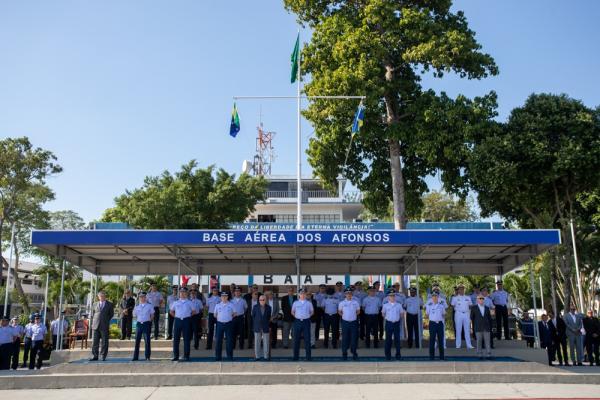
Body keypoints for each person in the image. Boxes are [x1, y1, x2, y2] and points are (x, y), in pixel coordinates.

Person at [170, 287, 195, 362]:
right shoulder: (176, 302)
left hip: (186, 320)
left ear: (186, 293)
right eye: (181, 292)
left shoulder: (190, 302)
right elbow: (171, 311)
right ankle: (176, 356)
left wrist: (188, 316)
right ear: (179, 293)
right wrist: (176, 317)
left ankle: (186, 356)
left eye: (184, 292)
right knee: (176, 339)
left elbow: (194, 311)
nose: (182, 293)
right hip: (178, 321)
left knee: (186, 339)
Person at [90, 290, 114, 361]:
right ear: (98, 297)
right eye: (100, 296)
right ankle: (95, 356)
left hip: (104, 325)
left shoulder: (109, 304)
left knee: (104, 342)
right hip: (95, 325)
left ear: (105, 296)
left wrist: (106, 320)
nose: (102, 297)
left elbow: (111, 314)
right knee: (95, 342)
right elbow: (93, 313)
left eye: (103, 296)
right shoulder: (94, 304)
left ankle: (103, 355)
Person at [291, 288, 314, 361]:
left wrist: (307, 317)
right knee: (296, 340)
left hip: (306, 322)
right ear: (299, 295)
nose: (303, 295)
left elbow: (312, 312)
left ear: (305, 294)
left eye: (304, 293)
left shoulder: (309, 303)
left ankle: (308, 357)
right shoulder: (295, 303)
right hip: (297, 322)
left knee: (307, 339)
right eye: (301, 294)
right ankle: (295, 357)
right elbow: (292, 312)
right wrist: (297, 317)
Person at [338, 287, 360, 361]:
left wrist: (352, 316)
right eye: (347, 293)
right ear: (345, 294)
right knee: (345, 339)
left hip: (353, 322)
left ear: (352, 294)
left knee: (354, 339)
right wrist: (345, 316)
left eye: (350, 293)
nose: (349, 295)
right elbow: (339, 311)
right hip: (345, 323)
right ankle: (344, 353)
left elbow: (358, 311)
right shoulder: (342, 303)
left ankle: (354, 353)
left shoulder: (355, 302)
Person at [381, 289, 403, 360]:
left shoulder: (399, 305)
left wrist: (397, 319)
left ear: (395, 296)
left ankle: (398, 354)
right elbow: (383, 314)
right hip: (389, 323)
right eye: (391, 296)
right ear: (388, 297)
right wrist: (389, 318)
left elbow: (401, 314)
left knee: (397, 340)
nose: (392, 297)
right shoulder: (385, 305)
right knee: (388, 340)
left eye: (393, 295)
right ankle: (388, 355)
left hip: (396, 323)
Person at [132, 291, 154, 361]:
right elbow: (134, 315)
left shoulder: (149, 306)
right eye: (140, 297)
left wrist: (149, 321)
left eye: (143, 297)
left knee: (147, 341)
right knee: (137, 341)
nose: (142, 298)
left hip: (146, 324)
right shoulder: (137, 306)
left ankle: (147, 356)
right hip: (139, 324)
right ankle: (135, 357)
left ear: (145, 298)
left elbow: (152, 314)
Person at [214, 291, 236, 361]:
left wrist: (229, 317)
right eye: (222, 296)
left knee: (229, 341)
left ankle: (229, 356)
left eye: (225, 296)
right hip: (220, 324)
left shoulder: (231, 304)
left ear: (227, 297)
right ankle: (218, 356)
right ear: (220, 297)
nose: (224, 297)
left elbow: (235, 313)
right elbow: (215, 314)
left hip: (228, 324)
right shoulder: (217, 305)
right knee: (218, 341)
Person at [451, 284, 473, 349]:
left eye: (463, 289)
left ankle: (469, 345)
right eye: (460, 289)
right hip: (458, 314)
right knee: (458, 330)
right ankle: (458, 345)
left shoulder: (468, 297)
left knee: (467, 330)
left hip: (466, 314)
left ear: (464, 289)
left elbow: (471, 305)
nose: (461, 290)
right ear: (458, 290)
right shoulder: (455, 298)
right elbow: (452, 305)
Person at [471, 294, 493, 359]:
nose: (481, 300)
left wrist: (490, 327)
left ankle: (488, 354)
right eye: (480, 298)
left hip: (486, 327)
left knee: (487, 341)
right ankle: (479, 354)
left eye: (482, 298)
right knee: (479, 341)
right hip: (478, 327)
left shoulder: (486, 308)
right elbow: (471, 319)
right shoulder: (474, 308)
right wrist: (471, 328)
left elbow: (489, 318)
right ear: (477, 300)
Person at [426, 292, 446, 360]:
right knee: (432, 340)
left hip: (440, 324)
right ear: (432, 298)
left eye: (436, 296)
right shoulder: (429, 305)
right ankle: (431, 357)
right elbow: (427, 314)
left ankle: (442, 357)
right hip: (432, 324)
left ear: (438, 297)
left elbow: (443, 314)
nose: (434, 297)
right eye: (433, 296)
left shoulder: (441, 305)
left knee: (441, 340)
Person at [252, 294, 272, 361]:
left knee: (266, 342)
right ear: (259, 300)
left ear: (265, 300)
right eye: (260, 300)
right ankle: (257, 356)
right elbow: (253, 316)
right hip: (257, 326)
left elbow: (268, 317)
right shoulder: (255, 307)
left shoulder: (269, 307)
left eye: (263, 300)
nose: (262, 301)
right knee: (257, 342)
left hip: (265, 326)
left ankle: (266, 356)